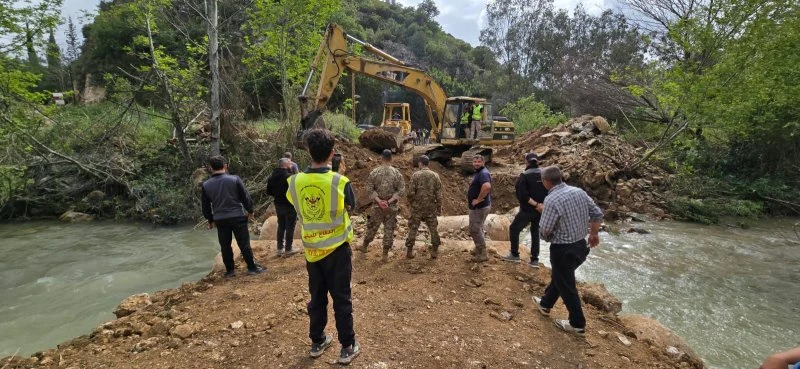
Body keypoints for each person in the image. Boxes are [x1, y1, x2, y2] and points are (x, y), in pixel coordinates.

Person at [286, 129, 360, 364]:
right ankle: (347, 346)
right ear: (332, 154)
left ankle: (317, 341)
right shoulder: (340, 181)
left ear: (308, 151)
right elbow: (353, 205)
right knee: (342, 298)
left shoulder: (294, 181)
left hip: (312, 252)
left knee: (316, 297)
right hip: (337, 250)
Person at [531, 166, 603, 335]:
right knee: (561, 277)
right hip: (581, 246)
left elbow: (545, 230)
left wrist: (544, 213)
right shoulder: (578, 191)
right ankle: (545, 304)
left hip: (563, 250)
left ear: (545, 182)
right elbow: (597, 214)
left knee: (567, 285)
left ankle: (577, 324)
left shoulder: (552, 200)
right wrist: (593, 234)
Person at [201, 156, 266, 277]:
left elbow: (205, 206)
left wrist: (210, 220)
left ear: (211, 168)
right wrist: (250, 210)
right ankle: (252, 267)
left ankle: (230, 271)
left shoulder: (206, 185)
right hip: (237, 216)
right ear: (225, 166)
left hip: (220, 219)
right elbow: (245, 197)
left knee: (225, 245)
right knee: (244, 243)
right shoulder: (234, 179)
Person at [503, 153, 548, 268]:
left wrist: (535, 204)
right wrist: (542, 205)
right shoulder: (545, 174)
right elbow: (551, 191)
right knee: (535, 232)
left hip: (528, 210)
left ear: (527, 162)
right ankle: (534, 260)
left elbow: (522, 195)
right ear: (538, 162)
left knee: (514, 228)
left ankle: (514, 255)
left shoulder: (524, 175)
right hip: (542, 210)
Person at [360, 149, 405, 262]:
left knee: (373, 227)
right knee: (389, 230)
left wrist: (379, 201)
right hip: (391, 207)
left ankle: (364, 246)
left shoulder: (374, 172)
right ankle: (385, 254)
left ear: (381, 158)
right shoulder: (397, 173)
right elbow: (401, 190)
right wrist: (389, 201)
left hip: (377, 207)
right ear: (391, 158)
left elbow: (369, 188)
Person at [404, 155, 442, 259]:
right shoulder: (435, 176)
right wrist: (439, 208)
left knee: (413, 229)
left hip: (417, 208)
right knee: (433, 229)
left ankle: (409, 251)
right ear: (428, 163)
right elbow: (439, 195)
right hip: (430, 208)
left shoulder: (416, 175)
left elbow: (410, 193)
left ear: (420, 163)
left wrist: (412, 203)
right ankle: (434, 251)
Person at [266, 158, 299, 258]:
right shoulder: (289, 177)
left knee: (281, 225)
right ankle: (288, 249)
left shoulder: (271, 177)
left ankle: (279, 248)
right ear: (286, 165)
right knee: (290, 226)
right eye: (290, 163)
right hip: (289, 204)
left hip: (278, 204)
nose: (291, 165)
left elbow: (269, 192)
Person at [467, 154, 492, 262]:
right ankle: (478, 248)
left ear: (483, 162)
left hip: (479, 207)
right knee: (479, 228)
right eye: (475, 162)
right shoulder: (480, 172)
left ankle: (482, 254)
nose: (476, 164)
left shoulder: (483, 173)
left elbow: (486, 187)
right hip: (481, 206)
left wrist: (478, 200)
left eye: (478, 162)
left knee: (475, 229)